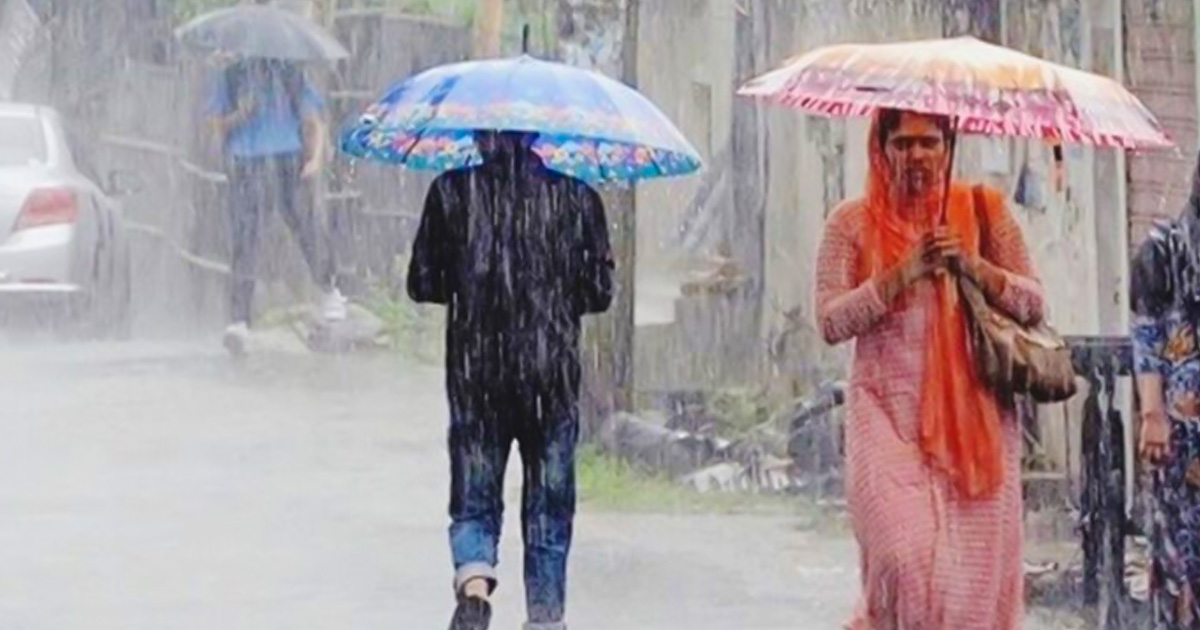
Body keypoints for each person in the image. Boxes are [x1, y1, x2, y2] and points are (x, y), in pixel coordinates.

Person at [814, 108, 1044, 629]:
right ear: (881, 148)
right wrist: (902, 272)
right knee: (901, 559)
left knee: (969, 580)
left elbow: (1033, 303)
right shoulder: (851, 222)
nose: (916, 155)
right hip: (884, 415)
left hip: (977, 419)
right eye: (902, 143)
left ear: (948, 144)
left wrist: (974, 266)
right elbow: (830, 320)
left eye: (929, 142)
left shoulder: (983, 211)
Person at [407, 130, 614, 630]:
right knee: (549, 508)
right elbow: (599, 293)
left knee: (475, 499)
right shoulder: (578, 197)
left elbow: (422, 283)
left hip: (477, 373)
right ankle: (545, 618)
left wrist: (472, 279)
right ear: (537, 133)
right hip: (550, 376)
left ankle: (475, 585)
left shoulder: (451, 191)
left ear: (480, 134)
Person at [207, 55, 346, 355]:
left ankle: (329, 290)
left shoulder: (289, 73)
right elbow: (216, 125)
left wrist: (315, 158)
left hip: (286, 158)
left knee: (305, 224)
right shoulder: (231, 75)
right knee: (245, 235)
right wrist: (240, 115)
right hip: (245, 160)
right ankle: (239, 319)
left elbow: (314, 120)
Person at [1132, 151, 1200, 629]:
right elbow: (1147, 332)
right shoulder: (1166, 251)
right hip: (1181, 434)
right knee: (1180, 566)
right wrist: (1152, 413)